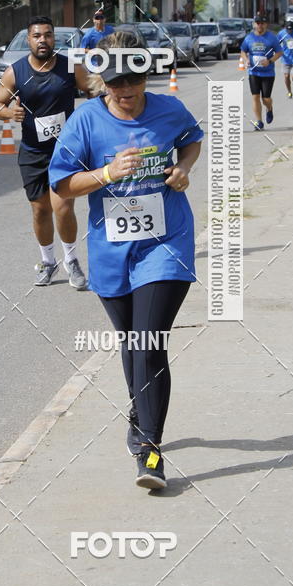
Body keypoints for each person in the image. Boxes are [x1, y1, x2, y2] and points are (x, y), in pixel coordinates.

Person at [49, 32, 203, 490]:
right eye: (115, 82)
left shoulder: (169, 109)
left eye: (133, 79)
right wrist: (107, 173)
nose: (125, 90)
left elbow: (191, 140)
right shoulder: (86, 123)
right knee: (132, 340)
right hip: (112, 250)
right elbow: (62, 186)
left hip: (167, 242)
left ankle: (149, 452)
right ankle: (140, 410)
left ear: (145, 75)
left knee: (150, 339)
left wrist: (183, 169)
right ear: (102, 81)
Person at [0, 16, 92, 289]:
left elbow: (94, 89)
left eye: (48, 35)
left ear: (53, 38)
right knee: (40, 210)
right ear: (29, 39)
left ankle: (71, 261)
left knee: (63, 206)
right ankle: (48, 262)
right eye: (37, 36)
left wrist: (97, 114)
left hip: (66, 151)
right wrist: (10, 112)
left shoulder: (70, 67)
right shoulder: (16, 71)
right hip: (33, 151)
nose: (43, 40)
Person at [240, 12, 283, 130]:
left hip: (268, 73)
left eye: (262, 23)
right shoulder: (249, 38)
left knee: (266, 98)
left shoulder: (271, 37)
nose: (260, 26)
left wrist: (270, 61)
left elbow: (279, 52)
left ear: (266, 24)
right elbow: (243, 51)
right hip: (253, 72)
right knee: (255, 97)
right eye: (258, 23)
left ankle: (269, 108)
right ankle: (259, 122)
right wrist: (246, 60)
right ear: (254, 24)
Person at [277, 16, 293, 98]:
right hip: (286, 58)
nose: (289, 31)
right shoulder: (281, 33)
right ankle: (289, 91)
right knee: (286, 76)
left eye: (291, 29)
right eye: (288, 29)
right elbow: (276, 43)